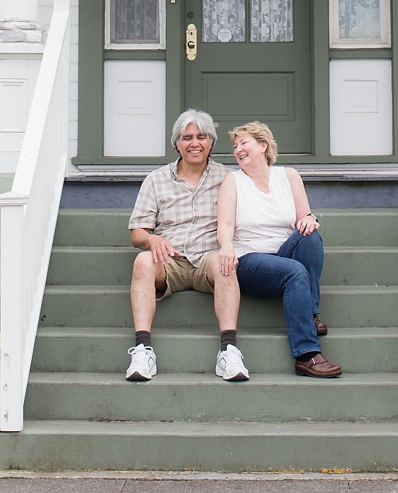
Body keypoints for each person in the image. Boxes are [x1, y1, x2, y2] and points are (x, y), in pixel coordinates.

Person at [125, 108, 247, 383]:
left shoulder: (228, 178)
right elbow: (137, 232)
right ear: (177, 143)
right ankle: (143, 350)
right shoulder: (156, 179)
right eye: (187, 137)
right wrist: (151, 238)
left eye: (202, 137)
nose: (195, 143)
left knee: (226, 262)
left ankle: (229, 350)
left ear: (211, 142)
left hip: (209, 257)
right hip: (171, 259)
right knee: (142, 261)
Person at [216, 122, 342, 379]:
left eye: (244, 143)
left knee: (310, 235)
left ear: (263, 146)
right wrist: (226, 247)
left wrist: (308, 219)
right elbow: (225, 223)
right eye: (235, 146)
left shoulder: (289, 176)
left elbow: (303, 216)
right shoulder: (233, 180)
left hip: (284, 252)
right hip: (250, 259)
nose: (238, 150)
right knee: (295, 270)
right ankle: (307, 356)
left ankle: (311, 312)